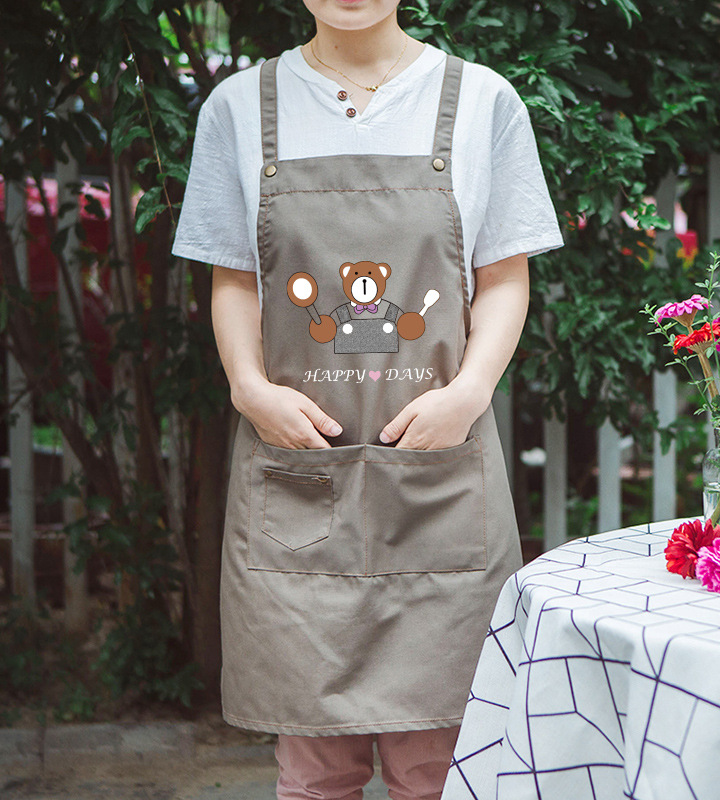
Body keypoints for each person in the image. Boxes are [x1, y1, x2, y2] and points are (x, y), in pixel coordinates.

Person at [171, 0, 563, 797]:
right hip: (299, 473)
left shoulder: (484, 100)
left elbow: (505, 277)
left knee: (437, 767)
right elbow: (234, 280)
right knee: (315, 769)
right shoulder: (240, 108)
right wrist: (250, 389)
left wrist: (471, 390)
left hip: (438, 478)